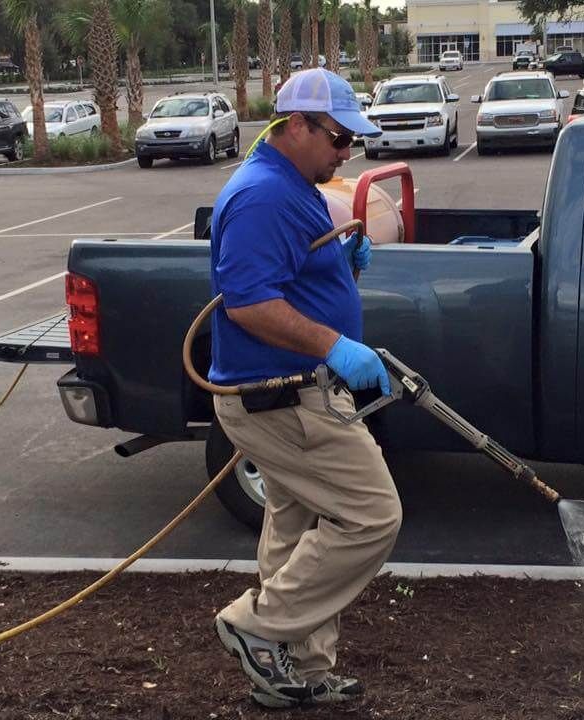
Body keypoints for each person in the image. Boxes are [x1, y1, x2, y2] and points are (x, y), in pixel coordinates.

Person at [208, 68, 403, 709]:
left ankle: (297, 669)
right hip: (279, 398)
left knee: (294, 531)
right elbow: (249, 305)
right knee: (372, 517)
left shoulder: (293, 184)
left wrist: (337, 262)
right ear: (297, 126)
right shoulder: (262, 196)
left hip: (298, 390)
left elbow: (288, 271)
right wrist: (337, 346)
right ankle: (257, 627)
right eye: (339, 138)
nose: (347, 152)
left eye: (352, 141)